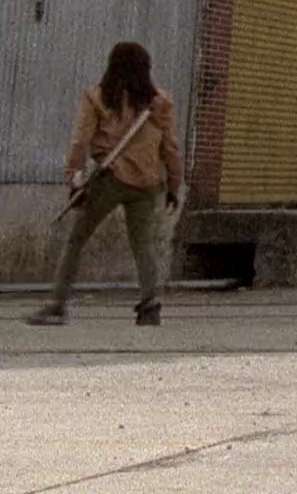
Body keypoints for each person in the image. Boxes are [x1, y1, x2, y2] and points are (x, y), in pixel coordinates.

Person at [28, 42, 183, 327]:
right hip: (148, 184)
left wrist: (74, 176)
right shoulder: (160, 103)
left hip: (109, 179)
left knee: (77, 239)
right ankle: (150, 306)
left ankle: (57, 304)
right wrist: (174, 185)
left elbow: (80, 141)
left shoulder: (97, 98)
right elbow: (171, 148)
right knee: (144, 245)